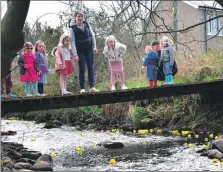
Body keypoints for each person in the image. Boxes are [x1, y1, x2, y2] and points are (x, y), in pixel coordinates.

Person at [69, 11, 99, 93]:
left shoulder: (87, 24)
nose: (80, 18)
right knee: (82, 68)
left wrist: (94, 47)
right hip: (80, 51)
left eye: (82, 16)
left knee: (91, 67)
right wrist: (75, 55)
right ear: (75, 17)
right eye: (79, 16)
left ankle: (92, 87)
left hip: (89, 49)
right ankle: (82, 88)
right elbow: (72, 42)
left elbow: (92, 35)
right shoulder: (72, 28)